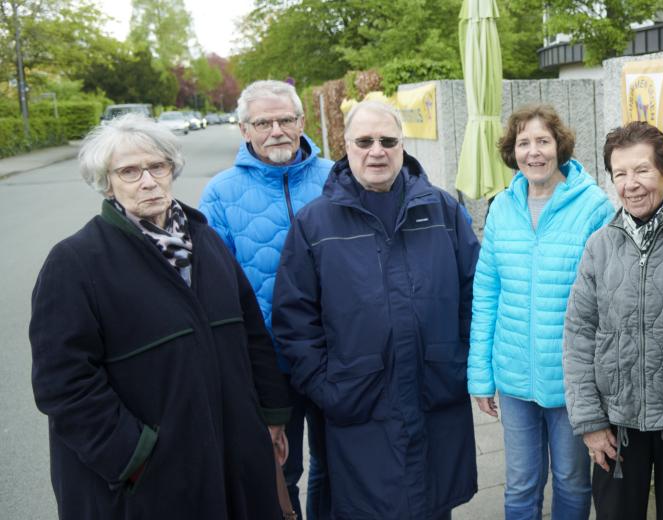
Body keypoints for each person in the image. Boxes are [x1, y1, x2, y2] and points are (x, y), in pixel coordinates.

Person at [29, 114, 292, 518]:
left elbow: (252, 335)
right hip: (148, 483)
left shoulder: (207, 242)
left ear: (172, 169)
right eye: (129, 171)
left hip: (232, 457)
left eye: (157, 166)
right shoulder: (76, 262)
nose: (148, 181)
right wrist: (134, 456)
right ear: (107, 181)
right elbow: (63, 383)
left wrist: (271, 418)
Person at [271, 100, 479, 519]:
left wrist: (460, 361)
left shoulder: (443, 211)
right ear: (345, 146)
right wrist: (326, 387)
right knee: (369, 508)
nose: (376, 151)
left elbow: (474, 295)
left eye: (388, 140)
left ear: (403, 145)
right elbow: (295, 320)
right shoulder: (315, 224)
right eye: (364, 141)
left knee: (432, 505)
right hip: (360, 403)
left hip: (434, 394)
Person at [468, 103, 614, 519]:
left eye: (543, 141)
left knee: (571, 480)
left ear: (560, 146)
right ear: (512, 151)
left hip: (571, 383)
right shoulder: (501, 210)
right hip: (514, 379)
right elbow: (486, 294)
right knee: (521, 483)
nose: (534, 152)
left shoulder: (594, 208)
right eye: (524, 142)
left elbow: (606, 301)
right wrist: (481, 376)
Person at [199, 79, 333, 519]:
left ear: (301, 122)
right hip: (269, 364)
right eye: (263, 121)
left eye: (285, 119)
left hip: (338, 355)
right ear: (244, 129)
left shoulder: (336, 177)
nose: (276, 129)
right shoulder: (220, 194)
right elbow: (215, 291)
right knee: (280, 470)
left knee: (337, 466)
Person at [563, 121, 663, 520]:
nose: (630, 184)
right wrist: (589, 421)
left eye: (641, 170)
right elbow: (579, 334)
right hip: (616, 428)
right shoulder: (600, 245)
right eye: (620, 174)